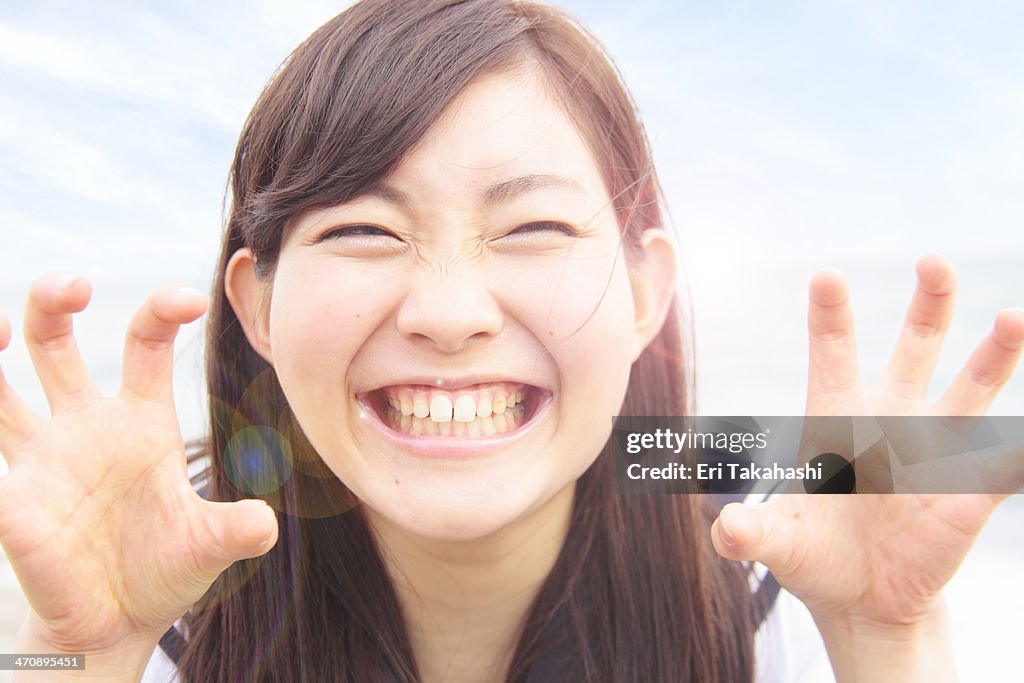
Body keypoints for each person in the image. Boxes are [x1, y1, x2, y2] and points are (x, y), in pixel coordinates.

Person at [1, 1, 1021, 681]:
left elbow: (946, 454)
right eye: (362, 230)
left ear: (645, 290)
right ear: (256, 303)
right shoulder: (161, 571)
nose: (449, 313)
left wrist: (889, 635)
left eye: (533, 227)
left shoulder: (770, 522)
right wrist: (72, 651)